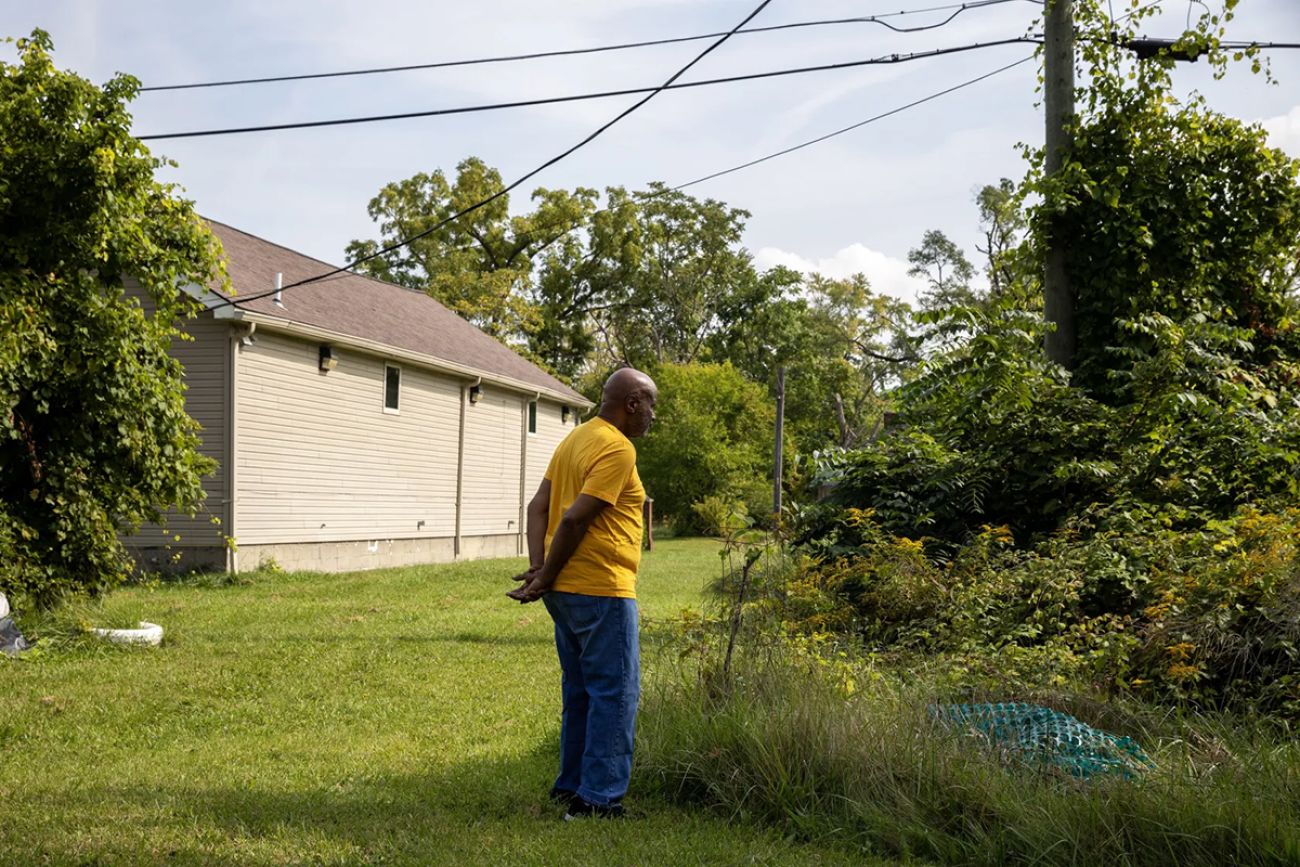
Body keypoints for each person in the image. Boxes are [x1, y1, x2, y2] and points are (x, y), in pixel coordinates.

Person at [507, 367, 657, 819]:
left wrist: (540, 568)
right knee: (616, 694)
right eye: (651, 404)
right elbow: (573, 519)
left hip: (567, 594)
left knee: (581, 691)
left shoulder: (575, 439)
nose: (653, 414)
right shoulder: (617, 447)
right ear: (631, 402)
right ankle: (598, 800)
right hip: (601, 588)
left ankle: (572, 785)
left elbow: (538, 507)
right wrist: (545, 575)